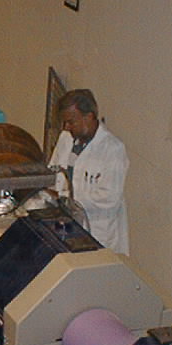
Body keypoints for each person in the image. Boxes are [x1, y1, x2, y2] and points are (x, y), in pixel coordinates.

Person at [48, 89, 129, 254]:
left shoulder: (112, 149)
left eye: (71, 122)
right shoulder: (66, 138)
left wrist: (67, 200)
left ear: (89, 117)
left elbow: (109, 198)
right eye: (65, 122)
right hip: (67, 226)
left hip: (97, 231)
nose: (66, 127)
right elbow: (54, 173)